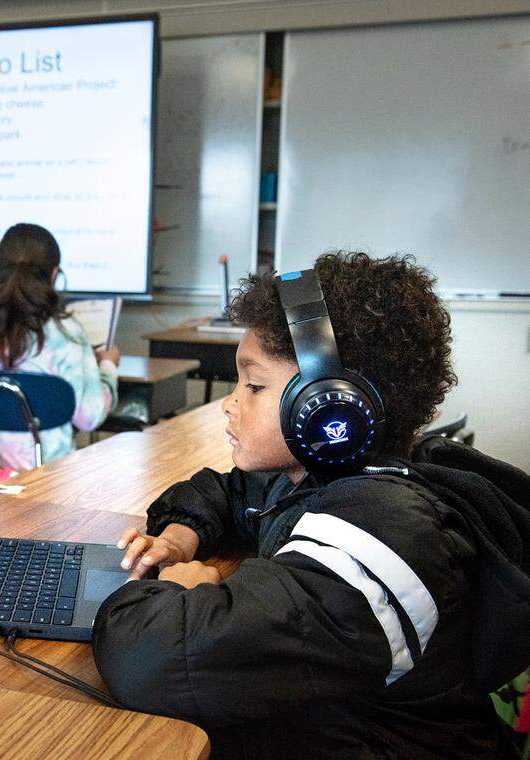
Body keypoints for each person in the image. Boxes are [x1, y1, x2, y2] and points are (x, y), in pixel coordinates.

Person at [92, 251, 530, 758]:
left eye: (253, 385)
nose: (229, 404)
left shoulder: (385, 540)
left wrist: (178, 585)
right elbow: (229, 489)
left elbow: (148, 659)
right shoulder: (329, 473)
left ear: (330, 403)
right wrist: (178, 537)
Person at [0, 223, 118, 471]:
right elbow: (89, 417)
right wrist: (107, 367)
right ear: (54, 275)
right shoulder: (67, 333)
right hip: (51, 488)